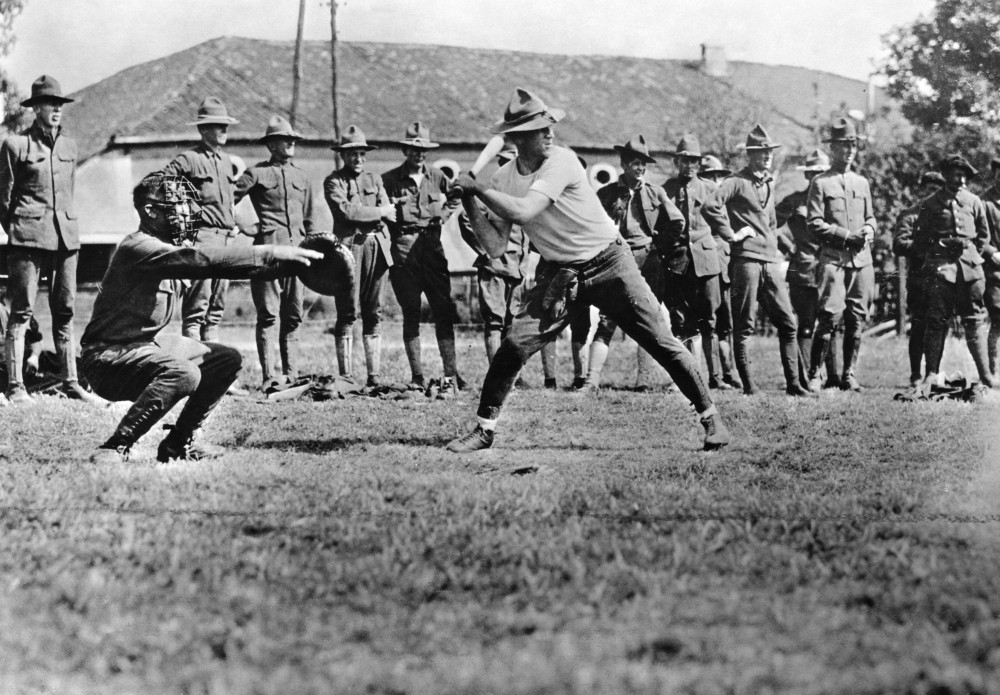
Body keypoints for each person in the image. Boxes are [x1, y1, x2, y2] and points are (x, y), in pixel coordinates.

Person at [445, 88, 730, 452]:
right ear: (516, 138)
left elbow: (524, 211)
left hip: (611, 263)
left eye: (550, 125)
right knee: (514, 345)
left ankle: (712, 420)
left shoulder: (561, 161)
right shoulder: (502, 179)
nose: (550, 132)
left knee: (662, 341)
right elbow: (496, 245)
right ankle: (484, 430)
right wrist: (470, 199)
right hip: (561, 273)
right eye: (538, 128)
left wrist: (477, 188)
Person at [80, 172, 323, 464]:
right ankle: (115, 446)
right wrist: (269, 251)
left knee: (224, 360)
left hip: (142, 347)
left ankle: (178, 444)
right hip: (107, 359)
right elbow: (203, 260)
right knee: (184, 373)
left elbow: (224, 269)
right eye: (178, 205)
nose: (188, 212)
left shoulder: (167, 250)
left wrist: (294, 265)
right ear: (150, 211)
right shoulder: (138, 247)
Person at [0, 75, 100, 404]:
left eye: (60, 104)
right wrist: (20, 228)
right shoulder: (15, 145)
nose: (56, 109)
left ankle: (69, 380)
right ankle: (16, 387)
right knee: (22, 311)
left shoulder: (70, 146)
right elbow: (4, 199)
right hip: (27, 239)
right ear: (36, 109)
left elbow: (66, 193)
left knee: (66, 310)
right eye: (50, 104)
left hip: (66, 238)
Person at [704, 125, 810, 396]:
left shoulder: (770, 183)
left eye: (769, 152)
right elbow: (710, 206)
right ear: (750, 155)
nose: (766, 157)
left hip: (771, 262)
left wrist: (784, 249)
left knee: (788, 323)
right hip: (746, 263)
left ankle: (795, 384)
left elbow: (772, 223)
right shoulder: (736, 181)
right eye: (761, 153)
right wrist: (731, 234)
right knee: (743, 327)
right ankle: (750, 387)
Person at [582, 135, 683, 391]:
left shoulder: (655, 192)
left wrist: (660, 245)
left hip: (648, 262)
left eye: (644, 164)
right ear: (624, 164)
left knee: (648, 318)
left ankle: (643, 380)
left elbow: (677, 222)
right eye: (636, 163)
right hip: (615, 260)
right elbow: (591, 224)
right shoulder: (606, 194)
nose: (641, 169)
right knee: (607, 318)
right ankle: (591, 380)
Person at [381, 122, 463, 397]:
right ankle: (417, 376)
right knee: (411, 312)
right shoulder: (389, 180)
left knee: (443, 310)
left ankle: (450, 375)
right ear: (405, 150)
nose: (419, 154)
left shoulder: (438, 177)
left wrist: (444, 215)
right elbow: (382, 213)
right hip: (404, 252)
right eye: (414, 149)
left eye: (423, 149)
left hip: (432, 248)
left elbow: (456, 198)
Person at [234, 116, 316, 386]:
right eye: (284, 138)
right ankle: (269, 377)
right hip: (268, 253)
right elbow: (226, 200)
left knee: (293, 316)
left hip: (298, 253)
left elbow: (310, 221)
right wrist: (246, 226)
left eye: (293, 138)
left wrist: (312, 251)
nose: (291, 142)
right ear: (271, 145)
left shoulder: (302, 176)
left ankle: (291, 375)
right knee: (268, 315)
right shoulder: (256, 174)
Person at [805, 118, 877, 392]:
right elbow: (814, 222)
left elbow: (871, 217)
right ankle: (814, 374)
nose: (848, 151)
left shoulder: (862, 182)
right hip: (834, 260)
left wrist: (868, 230)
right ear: (832, 149)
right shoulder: (821, 182)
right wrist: (847, 236)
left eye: (852, 146)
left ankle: (849, 374)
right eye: (842, 146)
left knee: (857, 318)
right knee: (829, 317)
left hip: (861, 261)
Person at [912, 155, 996, 388]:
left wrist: (972, 254)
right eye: (955, 174)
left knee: (974, 320)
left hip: (970, 270)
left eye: (963, 175)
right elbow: (920, 240)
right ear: (945, 175)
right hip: (941, 271)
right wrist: (940, 248)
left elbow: (983, 235)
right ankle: (931, 373)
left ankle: (986, 375)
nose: (959, 179)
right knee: (936, 320)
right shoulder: (930, 204)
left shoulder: (974, 201)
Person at [162, 97, 241, 343]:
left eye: (226, 125)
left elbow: (228, 201)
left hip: (226, 241)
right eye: (219, 125)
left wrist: (234, 222)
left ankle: (214, 375)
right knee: (197, 310)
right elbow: (163, 184)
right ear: (203, 129)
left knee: (215, 312)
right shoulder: (189, 160)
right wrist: (188, 217)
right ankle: (194, 372)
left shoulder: (228, 163)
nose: (224, 130)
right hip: (203, 240)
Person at [324, 125, 396, 386]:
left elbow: (391, 212)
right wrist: (379, 212)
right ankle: (346, 376)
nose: (358, 159)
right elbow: (347, 213)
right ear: (343, 155)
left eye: (362, 154)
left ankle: (374, 376)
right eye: (353, 154)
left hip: (376, 248)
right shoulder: (334, 181)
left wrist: (381, 214)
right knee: (347, 311)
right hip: (348, 250)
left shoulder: (375, 180)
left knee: (374, 311)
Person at [659, 135, 731, 389]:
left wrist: (718, 248)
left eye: (693, 161)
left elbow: (724, 223)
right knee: (679, 320)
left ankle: (715, 377)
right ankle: (686, 376)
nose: (689, 165)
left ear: (699, 163)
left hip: (707, 260)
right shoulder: (665, 190)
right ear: (676, 161)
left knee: (708, 318)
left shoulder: (711, 189)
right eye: (684, 160)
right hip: (678, 261)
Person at [458, 142, 531, 366]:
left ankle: (509, 376)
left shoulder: (523, 194)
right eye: (506, 161)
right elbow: (465, 219)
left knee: (512, 323)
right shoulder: (489, 193)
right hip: (496, 268)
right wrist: (487, 251)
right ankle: (496, 375)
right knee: (495, 322)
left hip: (517, 268)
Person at [776, 148, 840, 388]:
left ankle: (832, 375)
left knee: (830, 322)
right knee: (805, 324)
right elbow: (770, 224)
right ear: (806, 176)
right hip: (803, 269)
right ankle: (806, 375)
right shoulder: (794, 201)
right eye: (812, 173)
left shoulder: (834, 202)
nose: (816, 178)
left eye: (821, 173)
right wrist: (788, 247)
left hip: (831, 267)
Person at [892, 170, 945, 387]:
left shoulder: (945, 216)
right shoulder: (910, 215)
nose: (932, 194)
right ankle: (915, 374)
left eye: (936, 190)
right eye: (929, 189)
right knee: (919, 325)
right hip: (919, 278)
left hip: (942, 279)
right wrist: (923, 247)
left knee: (940, 325)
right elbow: (898, 244)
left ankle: (933, 372)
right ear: (921, 190)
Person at [697, 154, 740, 389]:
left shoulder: (727, 203)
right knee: (710, 323)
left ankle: (729, 372)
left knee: (727, 324)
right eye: (709, 176)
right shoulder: (702, 206)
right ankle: (714, 376)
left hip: (726, 268)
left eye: (718, 176)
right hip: (708, 268)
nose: (715, 181)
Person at [982, 160, 1000, 384]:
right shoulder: (983, 203)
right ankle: (992, 374)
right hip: (994, 271)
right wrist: (992, 252)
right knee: (998, 320)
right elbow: (977, 236)